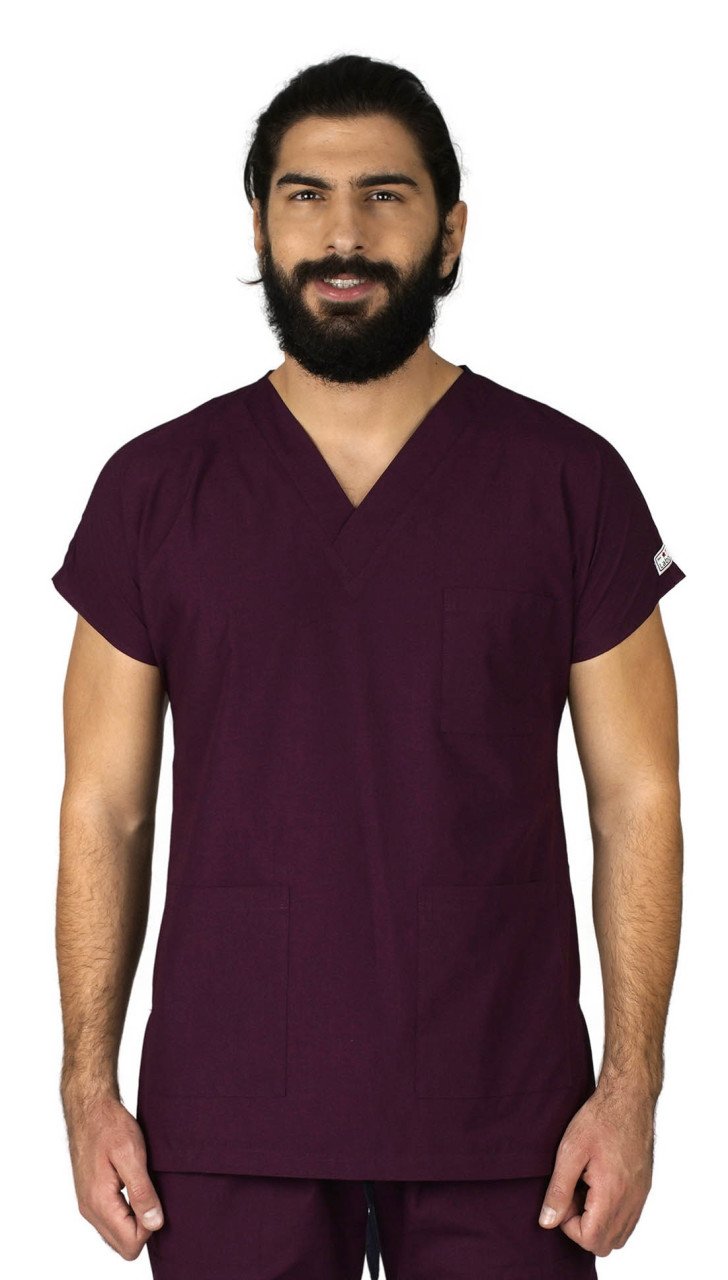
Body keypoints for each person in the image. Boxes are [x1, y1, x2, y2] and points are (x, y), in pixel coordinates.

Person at [51, 52, 686, 1280]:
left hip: (508, 1120)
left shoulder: (567, 482)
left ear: (450, 231)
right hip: (225, 1119)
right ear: (259, 225)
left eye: (384, 195)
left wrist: (630, 1087)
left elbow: (635, 797)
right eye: (306, 195)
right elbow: (104, 807)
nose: (343, 235)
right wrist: (86, 1086)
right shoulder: (155, 490)